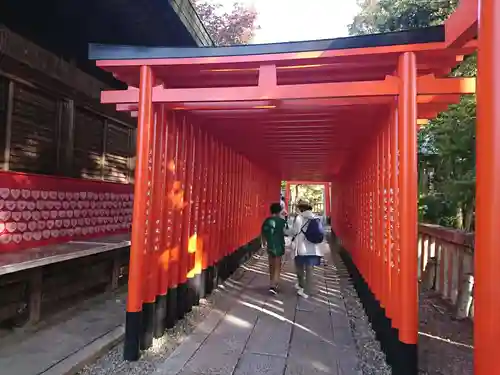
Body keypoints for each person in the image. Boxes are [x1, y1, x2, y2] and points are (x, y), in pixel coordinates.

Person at [290, 199, 324, 298]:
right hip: (314, 247)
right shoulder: (316, 217)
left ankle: (301, 285)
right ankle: (307, 290)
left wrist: (286, 231)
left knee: (300, 267)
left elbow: (295, 231)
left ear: (301, 208)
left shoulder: (299, 218)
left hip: (301, 246)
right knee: (310, 270)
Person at [261, 202, 288, 295]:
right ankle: (274, 285)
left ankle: (271, 281)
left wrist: (264, 243)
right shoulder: (281, 221)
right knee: (277, 265)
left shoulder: (267, 220)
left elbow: (263, 233)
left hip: (270, 245)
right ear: (279, 211)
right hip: (279, 245)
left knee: (271, 265)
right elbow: (286, 232)